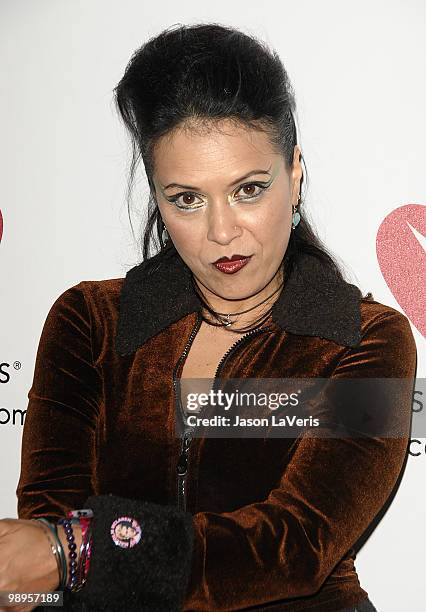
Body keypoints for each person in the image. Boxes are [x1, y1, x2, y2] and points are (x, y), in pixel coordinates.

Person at [0, 22, 417, 612]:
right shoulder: (90, 323)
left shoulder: (365, 339)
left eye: (248, 189)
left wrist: (84, 549)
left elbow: (296, 545)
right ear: (158, 197)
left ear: (294, 175)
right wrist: (56, 555)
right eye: (187, 198)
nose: (222, 232)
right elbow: (43, 538)